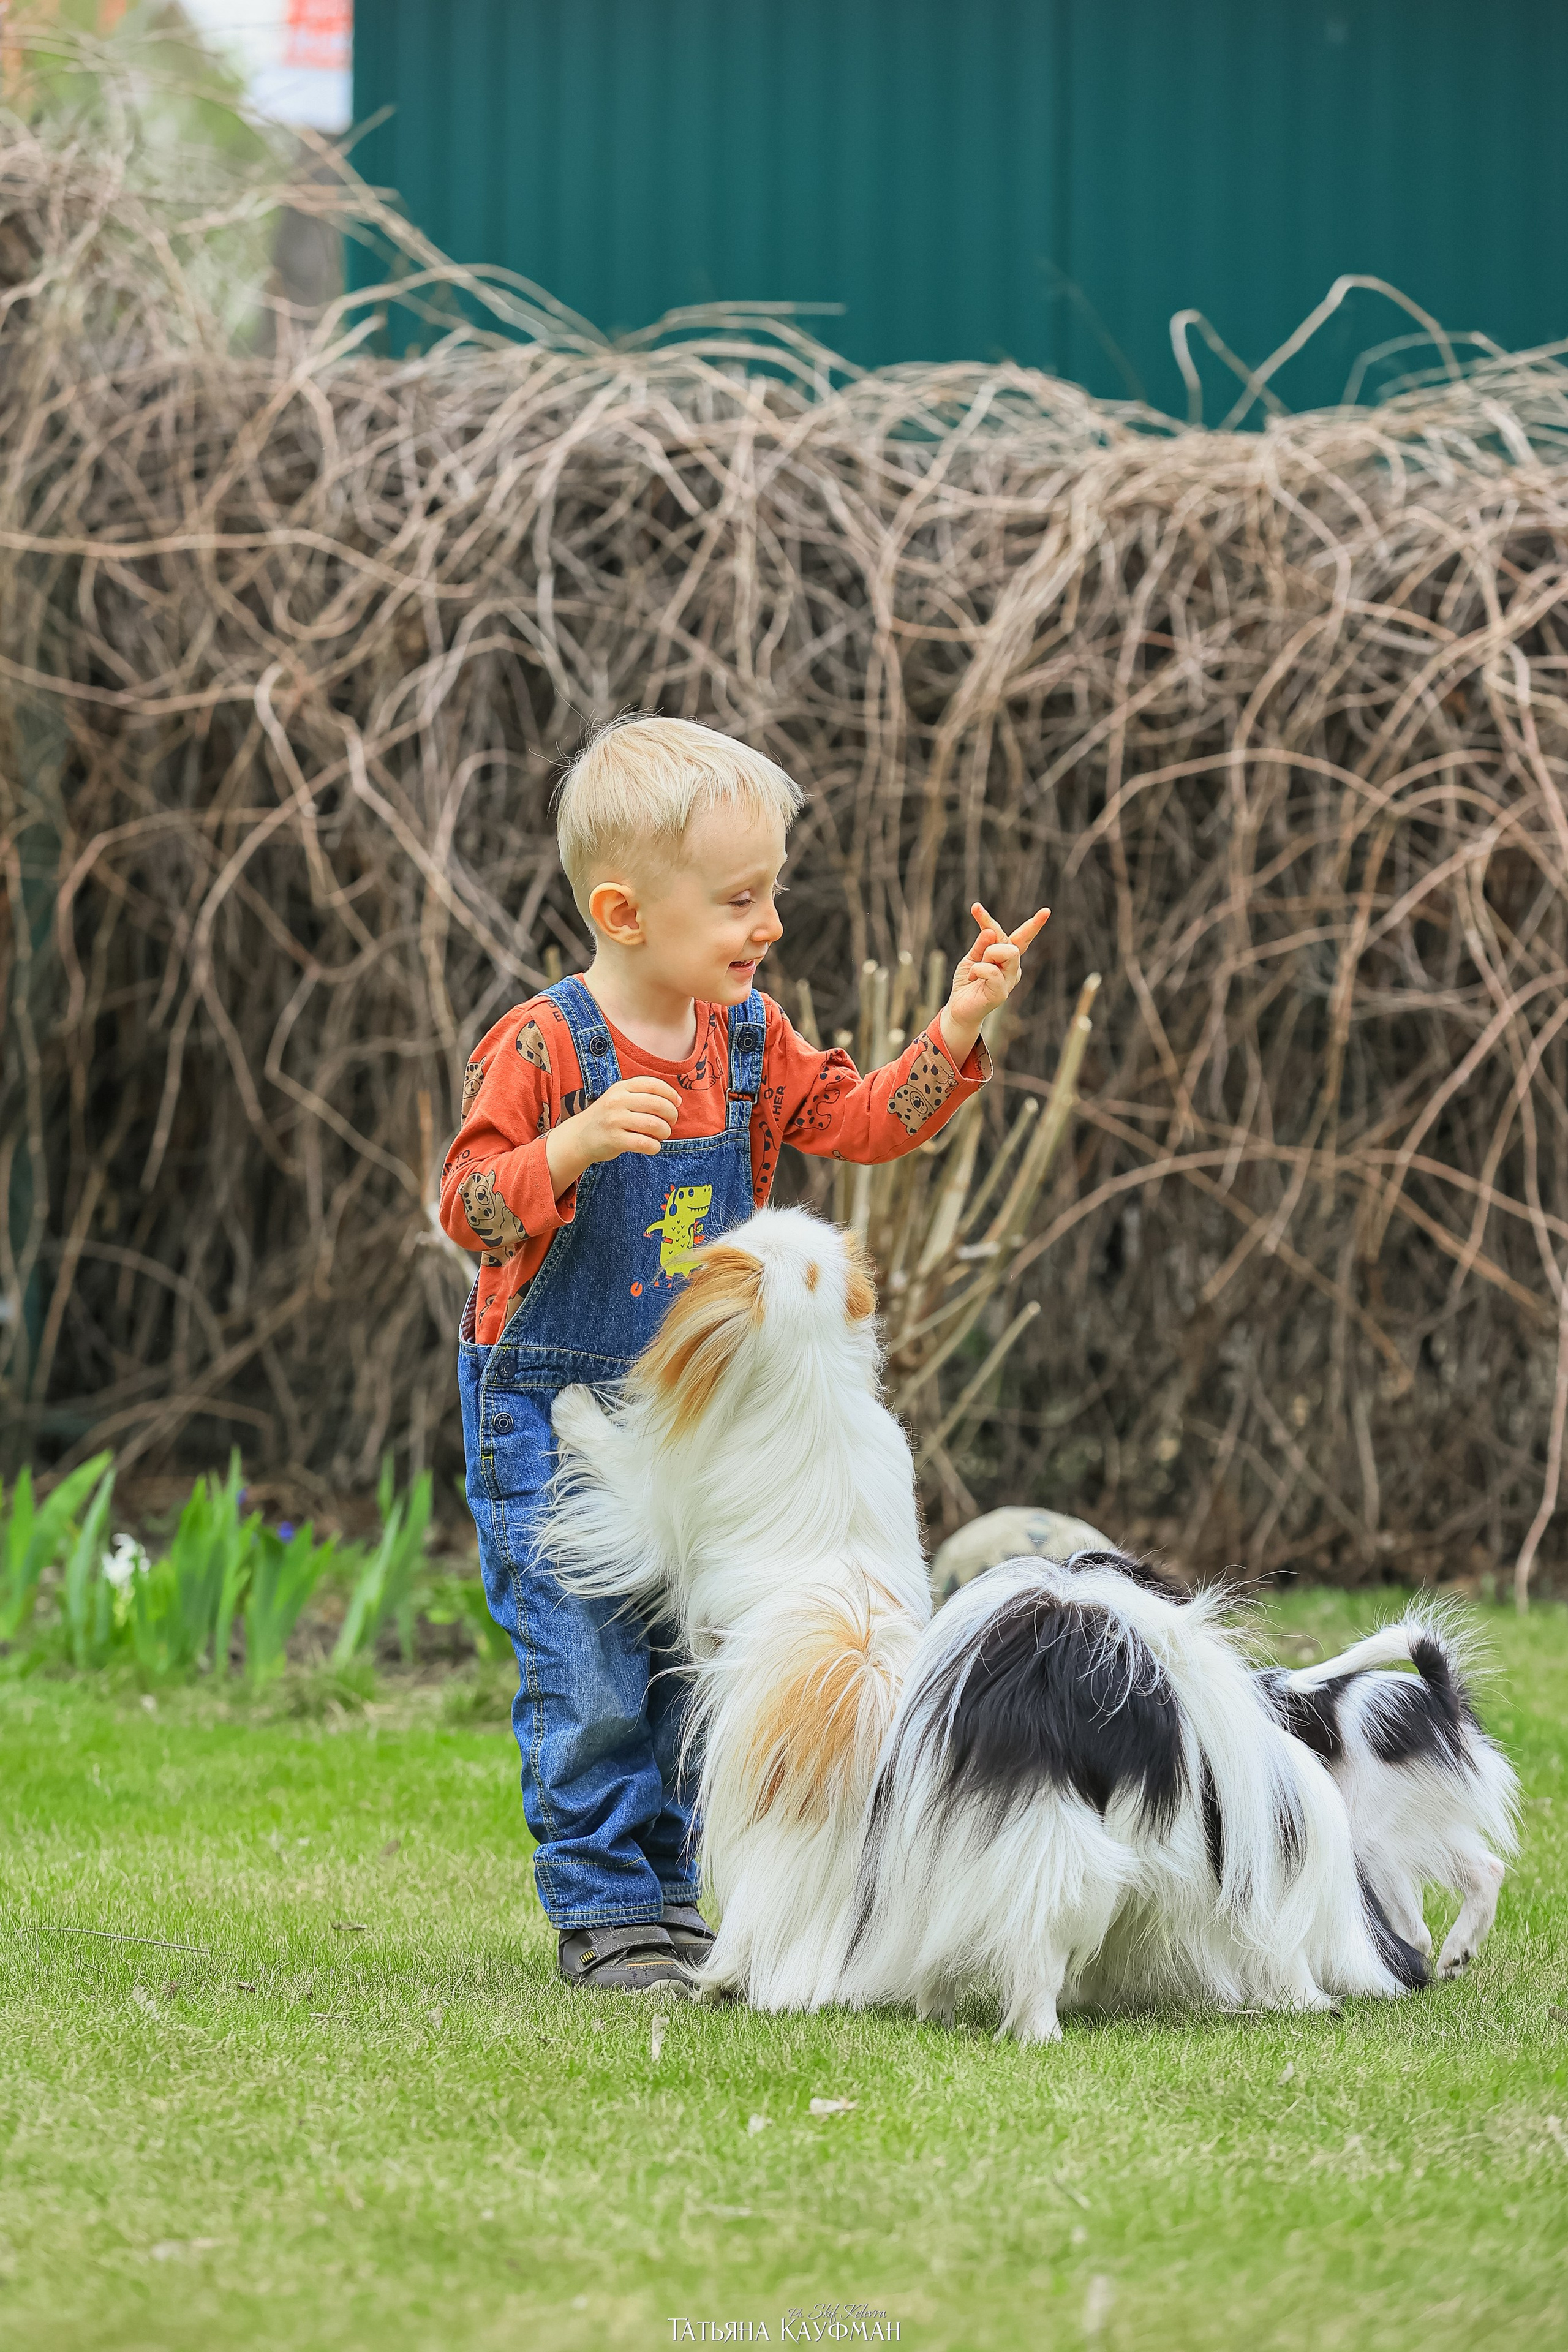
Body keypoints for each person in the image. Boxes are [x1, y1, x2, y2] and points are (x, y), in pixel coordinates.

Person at [440, 715, 1049, 1994]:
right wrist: (572, 1146)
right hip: (549, 1406)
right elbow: (466, 1209)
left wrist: (955, 1025)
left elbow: (868, 1123)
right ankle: (603, 1906)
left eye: (769, 890)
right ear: (621, 910)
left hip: (695, 1425)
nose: (767, 920)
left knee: (685, 1659)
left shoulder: (753, 1042)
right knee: (588, 1662)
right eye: (737, 899)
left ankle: (670, 1899)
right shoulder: (545, 1050)